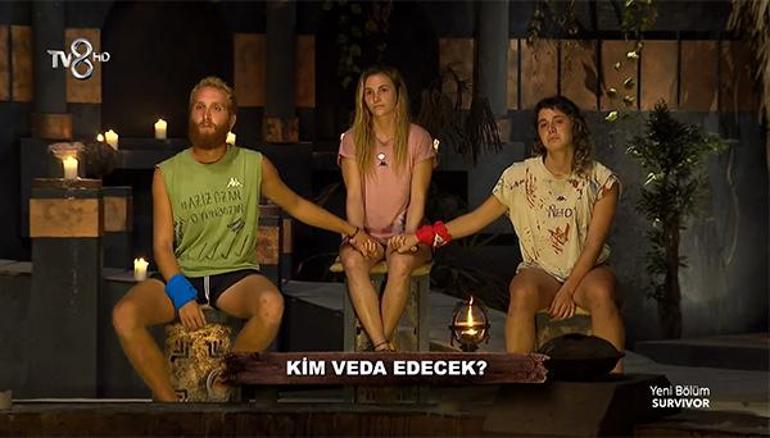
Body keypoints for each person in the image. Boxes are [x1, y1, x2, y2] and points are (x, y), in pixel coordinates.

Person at [112, 76, 377, 401]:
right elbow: (163, 246)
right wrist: (181, 294)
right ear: (190, 114)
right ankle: (171, 406)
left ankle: (224, 381)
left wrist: (352, 230)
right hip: (183, 272)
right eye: (200, 107)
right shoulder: (166, 172)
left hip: (234, 275)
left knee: (271, 305)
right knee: (125, 314)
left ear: (231, 119)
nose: (206, 116)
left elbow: (296, 205)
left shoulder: (253, 164)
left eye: (216, 108)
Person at [396, 95, 625, 371]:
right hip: (541, 271)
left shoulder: (601, 180)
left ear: (575, 126)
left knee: (601, 292)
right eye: (543, 124)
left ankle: (614, 380)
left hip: (588, 271)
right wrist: (421, 236)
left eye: (558, 121)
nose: (551, 129)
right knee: (522, 290)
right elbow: (476, 220)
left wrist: (569, 289)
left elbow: (593, 244)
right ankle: (520, 377)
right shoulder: (519, 177)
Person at [338, 66, 436, 352]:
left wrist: (409, 235)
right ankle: (381, 347)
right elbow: (354, 195)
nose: (375, 98)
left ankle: (375, 348)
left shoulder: (418, 138)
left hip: (406, 231)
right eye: (369, 92)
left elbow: (418, 196)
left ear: (397, 94)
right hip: (365, 231)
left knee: (401, 262)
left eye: (383, 90)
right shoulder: (352, 139)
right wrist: (357, 234)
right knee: (353, 261)